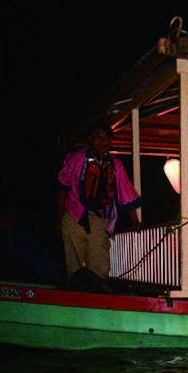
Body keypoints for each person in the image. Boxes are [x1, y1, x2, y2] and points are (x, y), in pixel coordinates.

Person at [55, 122, 141, 287]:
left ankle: (97, 298)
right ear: (90, 140)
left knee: (100, 264)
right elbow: (62, 189)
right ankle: (74, 298)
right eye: (97, 137)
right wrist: (58, 220)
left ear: (110, 141)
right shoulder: (76, 158)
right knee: (73, 264)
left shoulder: (115, 164)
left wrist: (135, 221)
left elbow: (126, 193)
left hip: (98, 218)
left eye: (105, 138)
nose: (101, 142)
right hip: (74, 214)